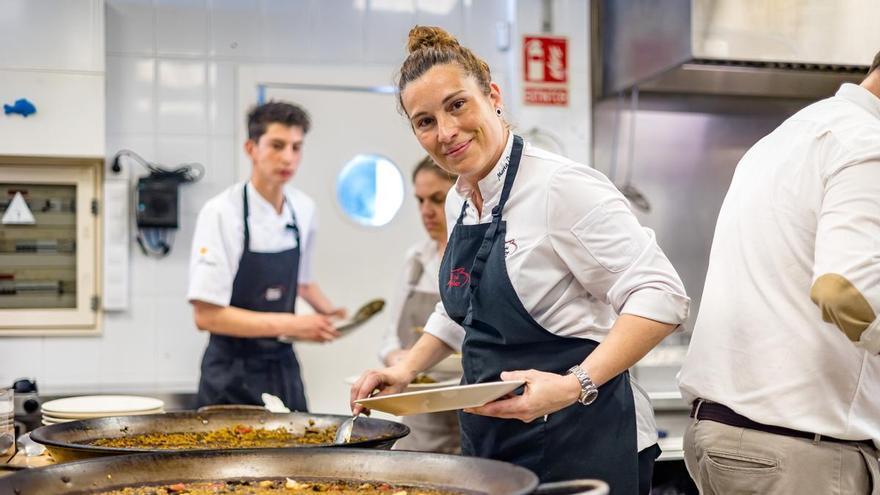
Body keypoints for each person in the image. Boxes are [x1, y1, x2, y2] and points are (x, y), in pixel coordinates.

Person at [350, 26, 690, 494]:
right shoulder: (459, 200)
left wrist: (574, 385)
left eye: (456, 104)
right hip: (494, 441)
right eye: (424, 121)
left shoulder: (560, 187)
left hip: (584, 438)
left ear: (492, 95)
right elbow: (460, 310)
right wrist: (406, 368)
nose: (445, 132)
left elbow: (662, 296)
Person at [678, 51, 880, 494]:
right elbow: (844, 291)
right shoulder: (868, 143)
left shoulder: (791, 134)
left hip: (730, 435)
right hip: (798, 452)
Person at [188, 101, 345, 411]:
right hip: (230, 374)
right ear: (251, 148)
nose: (288, 157)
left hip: (282, 368)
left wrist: (332, 316)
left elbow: (302, 282)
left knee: (303, 457)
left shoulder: (303, 209)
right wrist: (294, 324)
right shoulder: (222, 213)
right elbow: (206, 315)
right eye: (277, 145)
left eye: (296, 147)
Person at [378, 156, 461, 453]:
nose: (427, 211)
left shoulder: (478, 257)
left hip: (473, 408)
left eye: (437, 199)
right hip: (420, 416)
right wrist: (397, 360)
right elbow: (389, 337)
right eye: (420, 200)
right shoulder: (416, 260)